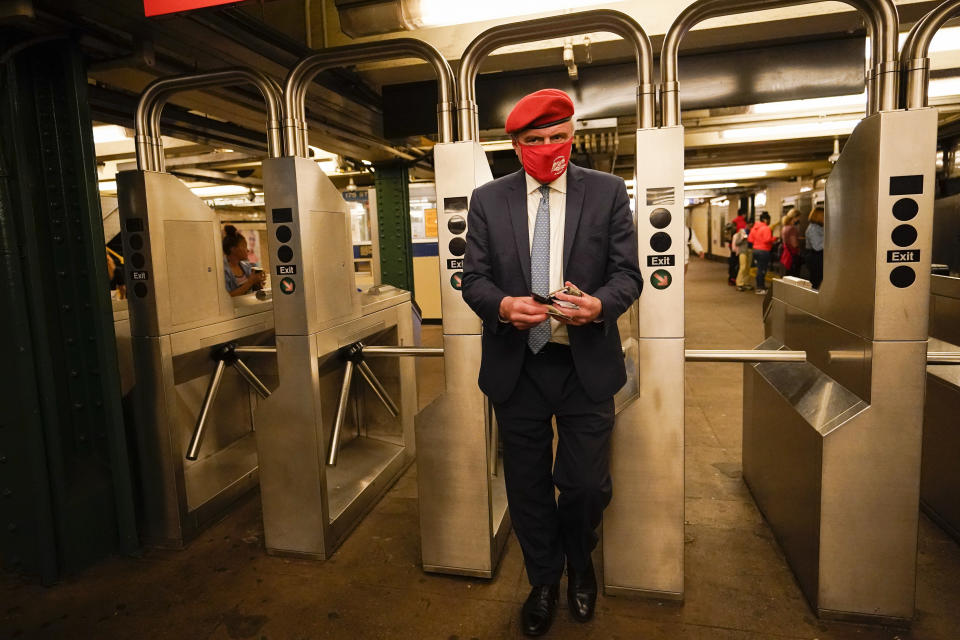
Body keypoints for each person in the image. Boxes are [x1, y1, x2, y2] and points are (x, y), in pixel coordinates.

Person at [461, 89, 642, 637]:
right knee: (527, 484)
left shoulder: (607, 192)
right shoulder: (488, 200)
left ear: (572, 135)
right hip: (518, 367)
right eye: (534, 140)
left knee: (586, 484)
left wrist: (599, 305)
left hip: (583, 365)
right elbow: (474, 279)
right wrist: (500, 305)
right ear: (516, 146)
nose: (548, 148)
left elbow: (628, 274)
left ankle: (579, 558)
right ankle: (544, 579)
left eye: (558, 137)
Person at [223, 227, 264, 296]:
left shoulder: (248, 267)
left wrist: (258, 281)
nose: (247, 250)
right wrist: (250, 282)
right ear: (233, 249)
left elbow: (256, 291)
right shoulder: (222, 271)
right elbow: (227, 297)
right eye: (244, 246)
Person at [748, 211, 774, 294]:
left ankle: (759, 286)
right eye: (769, 220)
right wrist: (774, 239)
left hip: (755, 250)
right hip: (764, 250)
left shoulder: (755, 228)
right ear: (765, 220)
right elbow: (767, 240)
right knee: (762, 269)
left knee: (759, 268)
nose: (770, 222)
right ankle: (760, 288)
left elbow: (750, 239)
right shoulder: (766, 228)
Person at [804, 206, 825, 289]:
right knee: (816, 281)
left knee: (819, 279)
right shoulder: (813, 228)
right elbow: (817, 246)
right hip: (815, 256)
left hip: (819, 256)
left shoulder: (819, 227)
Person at [779, 208, 802, 277]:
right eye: (798, 218)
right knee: (794, 275)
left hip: (786, 254)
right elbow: (794, 244)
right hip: (792, 255)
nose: (798, 220)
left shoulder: (785, 227)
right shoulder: (792, 228)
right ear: (794, 218)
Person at [732, 223, 752, 291]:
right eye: (749, 225)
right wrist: (743, 239)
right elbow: (737, 243)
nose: (750, 227)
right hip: (742, 251)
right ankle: (739, 283)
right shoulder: (741, 233)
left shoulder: (752, 232)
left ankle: (746, 283)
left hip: (750, 251)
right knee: (743, 267)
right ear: (746, 225)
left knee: (748, 268)